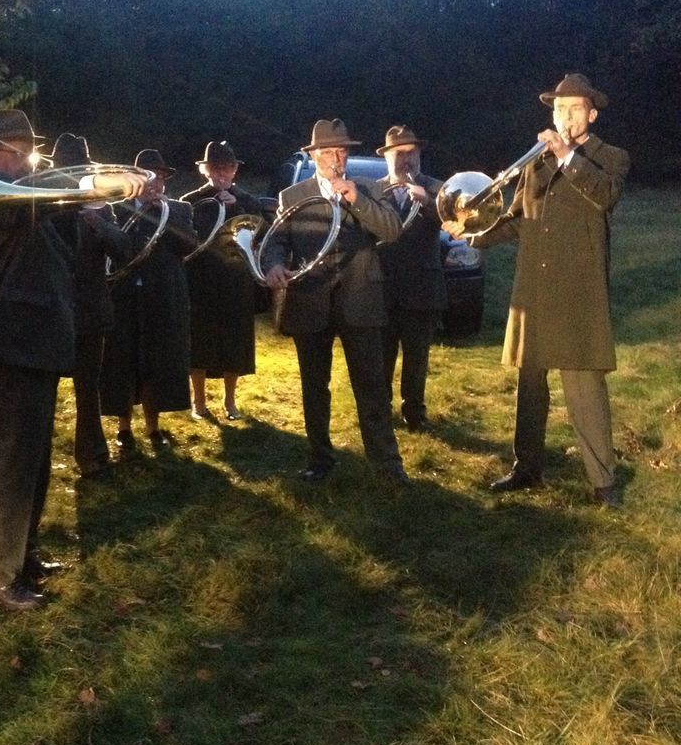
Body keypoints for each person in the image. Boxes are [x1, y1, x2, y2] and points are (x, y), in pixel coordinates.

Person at [446, 73, 629, 507]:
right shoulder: (535, 162)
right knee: (530, 385)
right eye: (558, 109)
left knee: (584, 387)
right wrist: (469, 233)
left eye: (574, 108)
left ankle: (603, 482)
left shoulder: (610, 158)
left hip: (578, 292)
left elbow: (605, 196)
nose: (565, 116)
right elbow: (514, 220)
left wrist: (567, 156)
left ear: (592, 113)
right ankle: (526, 467)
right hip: (535, 289)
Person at [0, 110, 77, 611]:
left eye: (29, 150)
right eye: (15, 150)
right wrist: (88, 185)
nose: (28, 159)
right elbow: (51, 200)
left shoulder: (27, 202)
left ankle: (21, 558)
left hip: (33, 347)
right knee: (8, 469)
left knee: (31, 464)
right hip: (4, 348)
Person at [261, 118, 408, 483]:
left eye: (341, 151)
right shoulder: (293, 197)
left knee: (372, 386)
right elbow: (276, 241)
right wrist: (275, 264)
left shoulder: (369, 189)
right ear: (314, 156)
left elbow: (392, 231)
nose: (336, 159)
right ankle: (320, 459)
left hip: (360, 299)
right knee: (314, 386)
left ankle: (387, 464)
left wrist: (356, 199)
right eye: (328, 152)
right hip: (310, 300)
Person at [99, 148, 198, 450]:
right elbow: (117, 250)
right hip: (126, 296)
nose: (155, 185)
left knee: (157, 363)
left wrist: (161, 214)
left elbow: (188, 246)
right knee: (123, 362)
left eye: (161, 179)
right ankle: (124, 427)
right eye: (149, 178)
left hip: (162, 296)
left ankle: (154, 427)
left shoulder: (179, 210)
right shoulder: (118, 209)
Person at [49, 132, 134, 481]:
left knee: (88, 388)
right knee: (45, 388)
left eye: (79, 169)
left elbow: (123, 250)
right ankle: (37, 456)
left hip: (91, 308)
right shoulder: (45, 202)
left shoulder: (102, 204)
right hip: (53, 308)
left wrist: (97, 221)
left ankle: (92, 455)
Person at [183, 139, 266, 421]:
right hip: (201, 281)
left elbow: (261, 234)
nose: (222, 173)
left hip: (236, 280)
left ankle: (230, 402)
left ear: (234, 171)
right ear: (205, 171)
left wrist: (237, 206)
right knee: (200, 343)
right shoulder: (191, 201)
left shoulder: (248, 200)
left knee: (235, 343)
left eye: (227, 168)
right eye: (216, 168)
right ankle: (198, 401)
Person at [373, 125, 446, 432]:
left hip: (422, 288)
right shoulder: (373, 191)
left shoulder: (438, 188)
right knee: (382, 356)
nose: (406, 159)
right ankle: (381, 412)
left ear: (419, 155)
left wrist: (428, 203)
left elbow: (457, 221)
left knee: (417, 358)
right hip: (383, 288)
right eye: (399, 154)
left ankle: (414, 413)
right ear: (387, 157)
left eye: (411, 152)